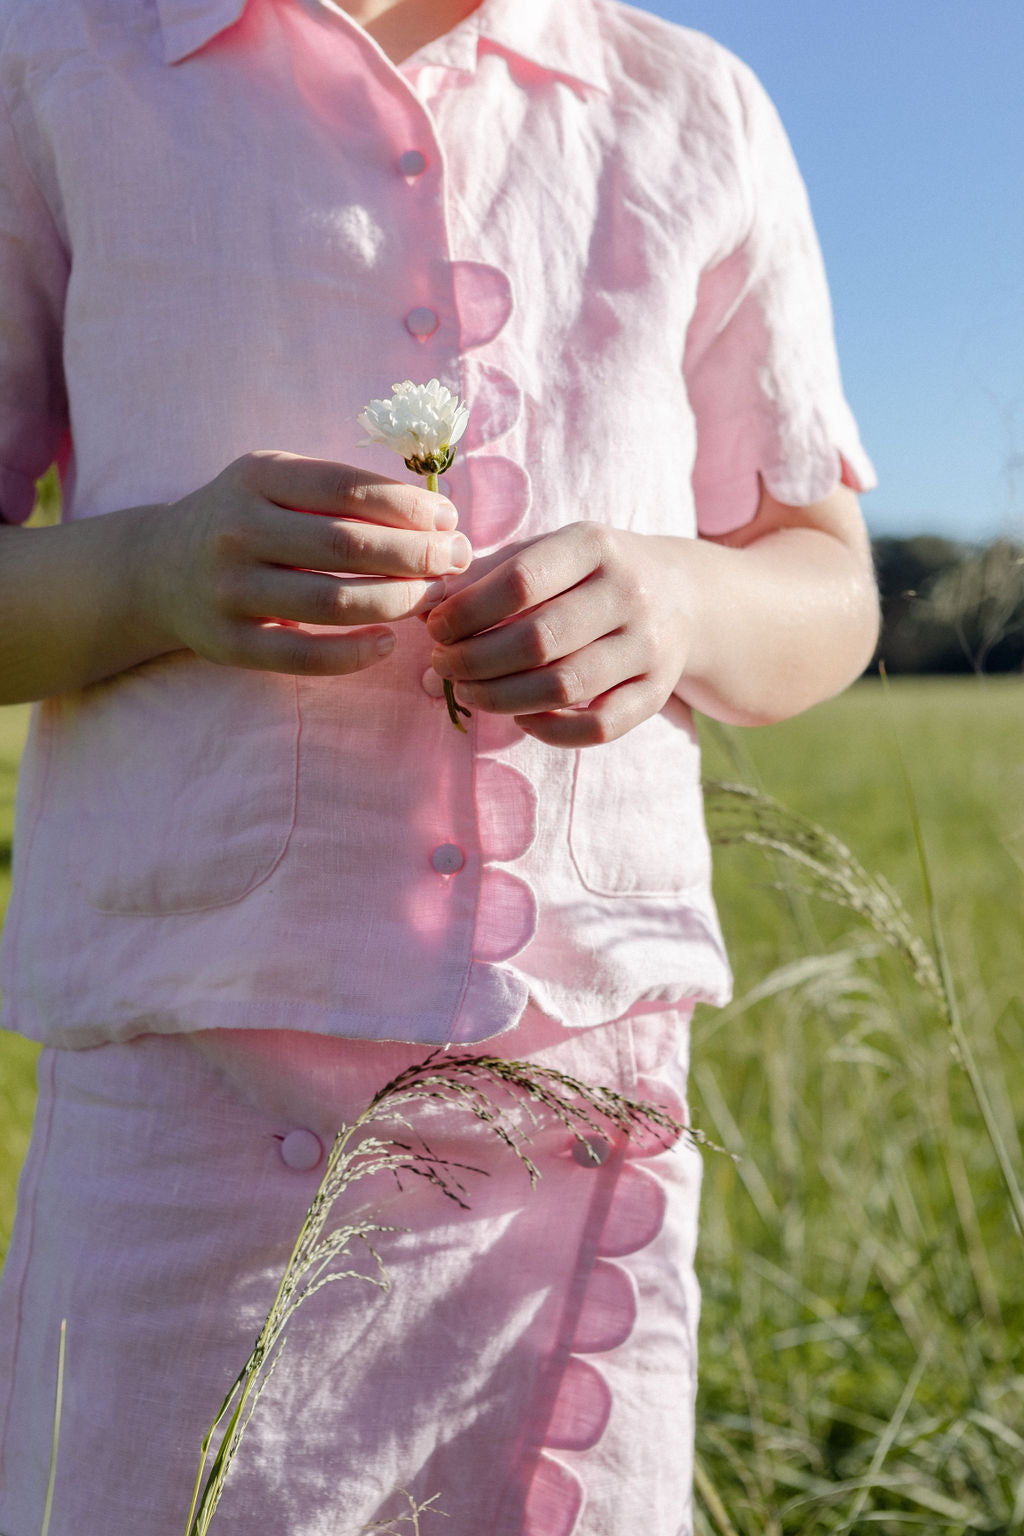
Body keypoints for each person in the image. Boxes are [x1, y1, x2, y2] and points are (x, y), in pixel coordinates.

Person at [0, 0, 879, 1530]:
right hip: (187, 1105)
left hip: (575, 1095)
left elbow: (828, 586)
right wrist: (150, 572)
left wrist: (679, 599)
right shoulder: (59, 62)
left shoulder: (697, 108)